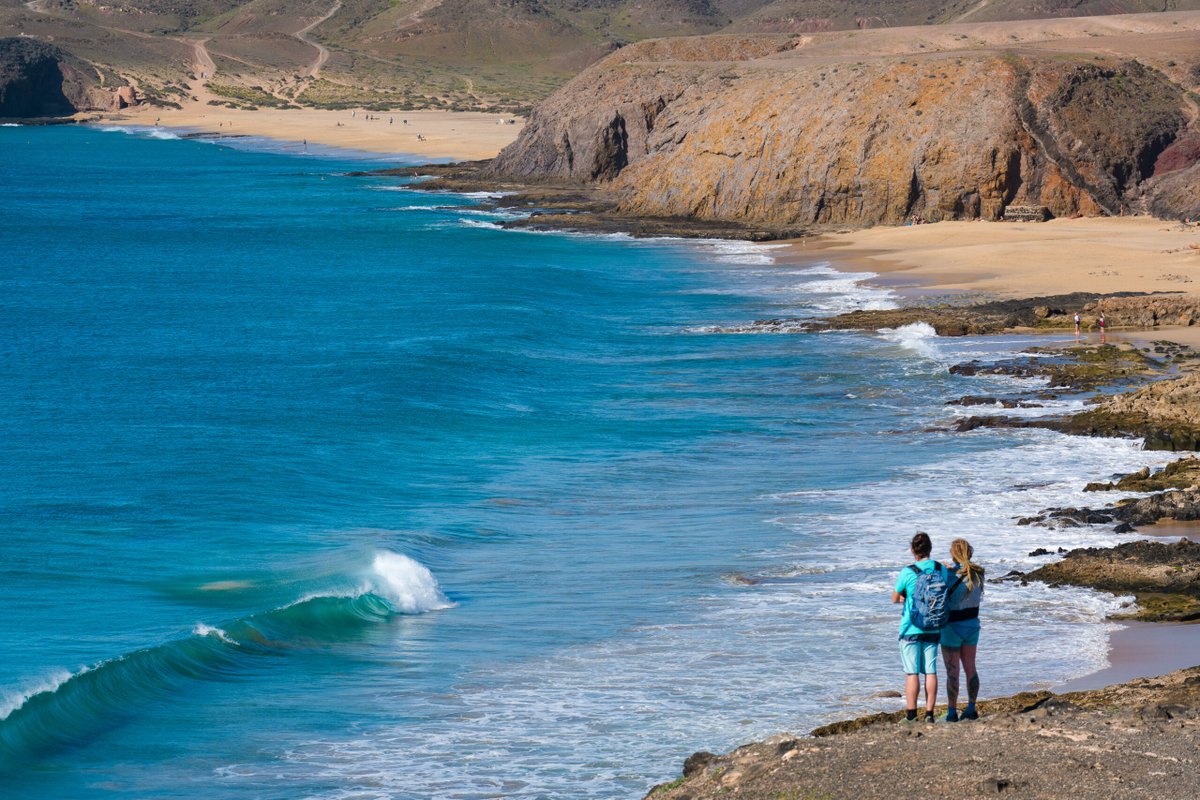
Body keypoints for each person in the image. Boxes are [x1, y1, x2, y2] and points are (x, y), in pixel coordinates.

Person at [892, 532, 946, 723]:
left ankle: (912, 715)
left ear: (913, 550)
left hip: (911, 627)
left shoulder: (908, 572)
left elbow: (894, 597)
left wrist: (904, 597)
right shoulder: (940, 568)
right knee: (931, 671)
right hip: (934, 625)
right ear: (930, 548)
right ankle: (930, 714)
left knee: (912, 672)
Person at [940, 538, 984, 721]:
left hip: (952, 627)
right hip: (972, 625)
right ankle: (971, 708)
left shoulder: (948, 575)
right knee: (970, 668)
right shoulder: (979, 573)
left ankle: (951, 712)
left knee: (953, 672)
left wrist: (945, 570)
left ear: (953, 554)